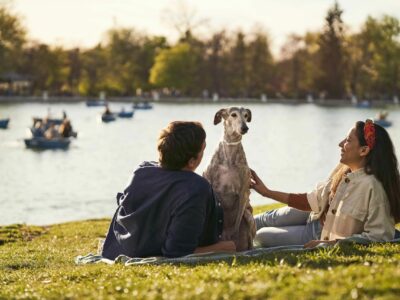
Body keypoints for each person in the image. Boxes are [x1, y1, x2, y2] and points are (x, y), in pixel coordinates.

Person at [251, 120, 400, 248]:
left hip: (318, 235)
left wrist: (331, 243)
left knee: (261, 236)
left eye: (348, 140)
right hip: (314, 214)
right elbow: (311, 200)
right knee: (261, 220)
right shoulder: (345, 170)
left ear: (364, 150)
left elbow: (379, 237)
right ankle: (227, 234)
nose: (340, 144)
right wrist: (267, 192)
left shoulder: (374, 188)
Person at [101, 121, 236, 259]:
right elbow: (177, 252)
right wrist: (227, 247)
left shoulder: (141, 171)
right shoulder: (195, 188)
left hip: (120, 248)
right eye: (203, 149)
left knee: (257, 219)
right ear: (191, 161)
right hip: (153, 249)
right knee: (253, 230)